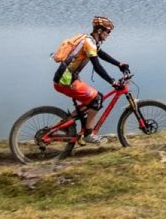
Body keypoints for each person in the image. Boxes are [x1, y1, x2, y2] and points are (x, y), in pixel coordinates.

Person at [53, 16, 129, 144]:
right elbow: (97, 67)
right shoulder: (89, 43)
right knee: (97, 99)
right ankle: (88, 134)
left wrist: (119, 64)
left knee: (93, 101)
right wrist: (113, 82)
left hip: (67, 78)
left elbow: (100, 53)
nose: (109, 34)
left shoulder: (89, 40)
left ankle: (66, 124)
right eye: (107, 31)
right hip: (65, 81)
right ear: (99, 31)